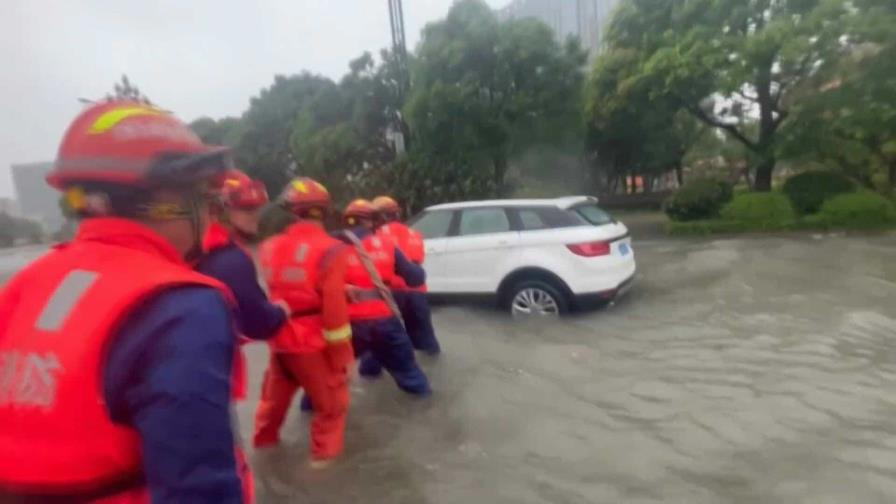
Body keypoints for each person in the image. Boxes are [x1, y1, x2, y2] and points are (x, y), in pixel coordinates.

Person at [0, 101, 246, 502]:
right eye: (203, 198)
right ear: (169, 203)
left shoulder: (25, 285)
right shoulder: (181, 306)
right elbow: (198, 487)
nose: (209, 214)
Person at [252, 177, 354, 469]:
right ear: (324, 211)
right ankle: (321, 474)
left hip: (280, 340)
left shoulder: (268, 246)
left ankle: (263, 448)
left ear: (290, 210)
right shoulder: (332, 249)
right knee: (332, 408)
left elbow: (290, 286)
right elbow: (334, 313)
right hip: (312, 344)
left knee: (272, 406)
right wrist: (342, 357)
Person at [196, 169, 288, 401]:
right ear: (218, 210)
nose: (256, 215)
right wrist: (280, 311)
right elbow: (257, 323)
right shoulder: (229, 259)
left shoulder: (195, 249)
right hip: (210, 374)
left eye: (257, 207)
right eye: (247, 208)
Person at [339, 199, 431, 396]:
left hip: (348, 325)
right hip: (384, 322)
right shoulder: (388, 245)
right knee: (413, 380)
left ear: (347, 221)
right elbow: (415, 278)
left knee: (326, 381)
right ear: (372, 222)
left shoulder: (333, 246)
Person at [372, 195, 441, 355]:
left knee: (378, 340)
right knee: (426, 342)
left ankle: (371, 372)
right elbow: (418, 260)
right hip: (417, 292)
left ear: (380, 216)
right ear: (397, 213)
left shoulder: (377, 235)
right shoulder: (415, 234)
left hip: (391, 292)